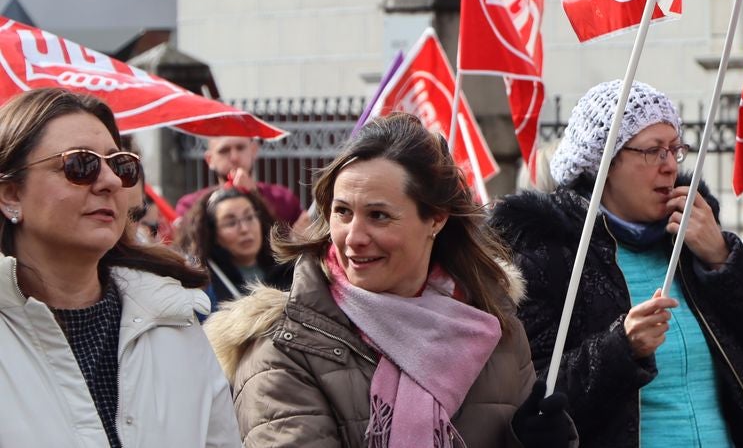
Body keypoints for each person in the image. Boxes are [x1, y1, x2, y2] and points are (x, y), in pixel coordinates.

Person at [204, 112, 575, 448]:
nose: (353, 236)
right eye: (342, 212)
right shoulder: (283, 348)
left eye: (378, 216)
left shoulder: (493, 324)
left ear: (436, 219)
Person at [490, 80, 743, 447]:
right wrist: (621, 348)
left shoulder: (693, 245)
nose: (670, 166)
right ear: (604, 162)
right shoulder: (551, 256)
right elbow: (530, 406)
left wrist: (723, 259)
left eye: (675, 149)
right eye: (653, 151)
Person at [0, 87, 240, 447]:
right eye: (80, 164)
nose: (112, 182)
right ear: (11, 194)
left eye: (121, 165)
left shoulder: (172, 317)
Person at [176, 186, 287, 307]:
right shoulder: (205, 285)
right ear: (213, 234)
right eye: (231, 223)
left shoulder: (289, 270)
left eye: (249, 217)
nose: (244, 229)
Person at [174, 135, 302, 227]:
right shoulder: (191, 205)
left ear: (254, 150)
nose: (234, 158)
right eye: (224, 151)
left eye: (240, 148)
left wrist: (255, 196)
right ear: (210, 160)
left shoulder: (283, 199)